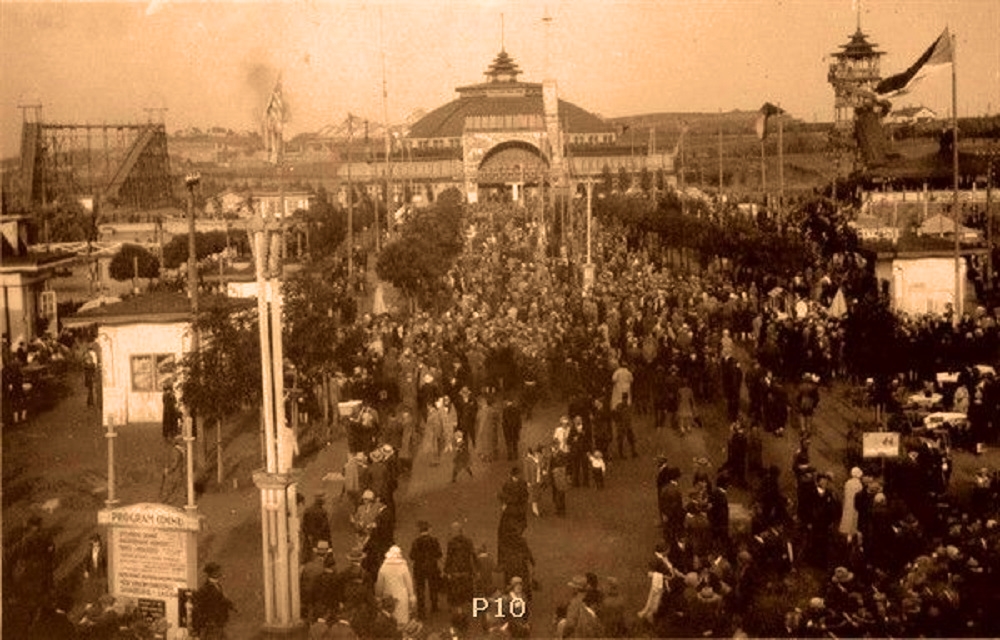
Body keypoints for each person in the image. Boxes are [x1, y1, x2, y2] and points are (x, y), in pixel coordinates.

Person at [375, 546, 416, 629]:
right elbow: (409, 583)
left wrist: (378, 597)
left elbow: (379, 584)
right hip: (402, 597)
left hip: (388, 596)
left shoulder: (383, 568)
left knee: (390, 618)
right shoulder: (403, 567)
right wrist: (411, 595)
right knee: (402, 619)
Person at [192, 562, 236, 640]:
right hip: (211, 624)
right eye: (218, 571)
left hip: (219, 622)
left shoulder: (218, 585)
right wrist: (200, 625)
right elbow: (198, 608)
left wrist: (231, 605)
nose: (220, 572)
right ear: (212, 573)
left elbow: (221, 599)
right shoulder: (205, 589)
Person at [409, 521, 442, 620]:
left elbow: (412, 556)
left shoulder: (416, 542)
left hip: (419, 568)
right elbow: (439, 554)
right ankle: (434, 606)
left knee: (420, 589)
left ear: (420, 531)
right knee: (433, 587)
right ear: (428, 530)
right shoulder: (434, 540)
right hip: (432, 567)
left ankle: (421, 611)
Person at [443, 522, 478, 612]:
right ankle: (466, 609)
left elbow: (449, 557)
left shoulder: (451, 542)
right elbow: (473, 555)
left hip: (456, 571)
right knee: (466, 591)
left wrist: (446, 570)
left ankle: (459, 610)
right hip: (466, 570)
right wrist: (477, 568)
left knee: (456, 591)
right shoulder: (468, 541)